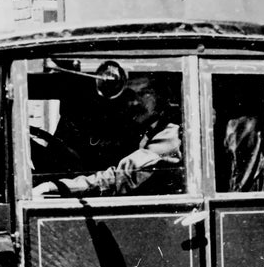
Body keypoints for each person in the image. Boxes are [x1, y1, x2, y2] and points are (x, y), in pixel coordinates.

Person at [33, 75, 182, 198]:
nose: (135, 101)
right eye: (129, 94)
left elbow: (124, 176)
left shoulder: (170, 133)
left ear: (161, 97)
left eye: (144, 93)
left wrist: (56, 187)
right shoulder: (135, 129)